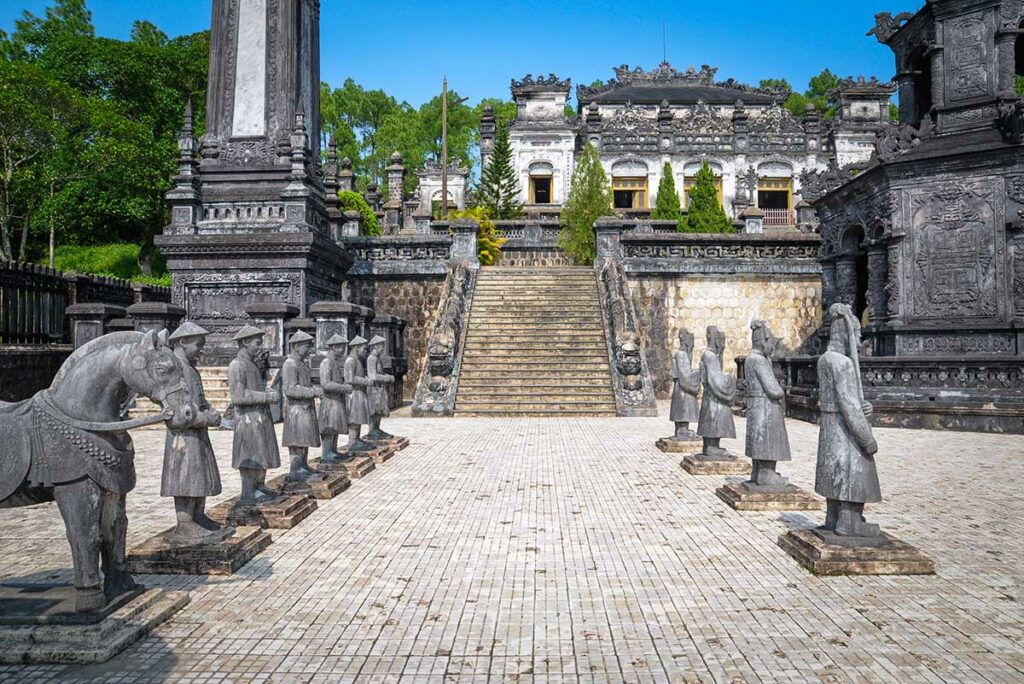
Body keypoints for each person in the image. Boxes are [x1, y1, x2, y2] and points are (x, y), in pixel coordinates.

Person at [162, 322, 232, 543]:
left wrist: (209, 409)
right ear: (183, 342)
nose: (202, 349)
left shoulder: (190, 369)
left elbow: (197, 400)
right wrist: (206, 418)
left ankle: (198, 516)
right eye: (198, 344)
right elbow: (178, 412)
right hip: (183, 437)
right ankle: (184, 523)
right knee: (185, 479)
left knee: (199, 477)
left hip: (197, 434)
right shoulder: (175, 370)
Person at [815, 303, 881, 538]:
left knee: (833, 471)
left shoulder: (824, 359)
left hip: (830, 428)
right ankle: (850, 521)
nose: (860, 339)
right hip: (845, 431)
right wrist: (867, 439)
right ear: (847, 334)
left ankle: (833, 516)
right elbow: (850, 407)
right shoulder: (843, 364)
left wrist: (865, 408)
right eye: (857, 334)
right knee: (852, 470)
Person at [228, 325, 281, 503]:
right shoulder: (237, 365)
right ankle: (248, 492)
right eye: (257, 343)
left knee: (261, 453)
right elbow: (238, 396)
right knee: (250, 456)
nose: (260, 347)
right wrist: (265, 397)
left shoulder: (251, 364)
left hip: (259, 417)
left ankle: (259, 486)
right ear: (244, 342)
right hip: (247, 418)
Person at [743, 321, 791, 487]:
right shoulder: (760, 361)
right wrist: (781, 390)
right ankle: (766, 474)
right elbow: (772, 389)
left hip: (756, 406)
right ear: (764, 341)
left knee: (759, 440)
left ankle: (758, 471)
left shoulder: (750, 359)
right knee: (767, 440)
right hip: (766, 407)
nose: (772, 347)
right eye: (771, 343)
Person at [280, 330, 323, 481]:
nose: (309, 349)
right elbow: (290, 389)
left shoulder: (302, 364)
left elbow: (305, 384)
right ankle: (295, 469)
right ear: (297, 346)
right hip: (296, 409)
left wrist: (313, 389)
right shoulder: (290, 364)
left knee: (305, 438)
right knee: (297, 440)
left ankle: (303, 466)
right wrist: (312, 392)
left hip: (305, 407)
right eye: (306, 346)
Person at [696, 326, 737, 458]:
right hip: (713, 399)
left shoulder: (709, 355)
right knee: (716, 418)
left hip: (709, 397)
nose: (723, 344)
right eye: (721, 340)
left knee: (711, 419)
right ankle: (712, 447)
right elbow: (716, 381)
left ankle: (711, 445)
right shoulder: (710, 356)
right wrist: (730, 380)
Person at [318, 334, 351, 461]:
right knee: (329, 427)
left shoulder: (334, 362)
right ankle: (327, 452)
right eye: (341, 347)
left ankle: (333, 450)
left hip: (336, 400)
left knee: (335, 426)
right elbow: (326, 384)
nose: (343, 350)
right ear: (333, 347)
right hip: (330, 401)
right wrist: (344, 388)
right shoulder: (326, 362)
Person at [669, 327, 701, 441]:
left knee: (681, 409)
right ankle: (682, 430)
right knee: (683, 409)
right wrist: (699, 373)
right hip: (682, 389)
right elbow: (685, 376)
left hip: (680, 388)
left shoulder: (680, 354)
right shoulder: (682, 355)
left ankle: (682, 429)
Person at [343, 336, 373, 452]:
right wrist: (365, 381)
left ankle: (356, 439)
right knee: (354, 418)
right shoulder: (350, 360)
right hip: (354, 393)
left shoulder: (358, 361)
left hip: (359, 392)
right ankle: (352, 440)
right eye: (364, 349)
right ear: (356, 348)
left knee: (359, 417)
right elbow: (349, 378)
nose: (365, 352)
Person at [366, 335, 395, 441]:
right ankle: (372, 430)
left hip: (379, 388)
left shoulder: (377, 358)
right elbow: (373, 376)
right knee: (374, 411)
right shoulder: (371, 358)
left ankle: (376, 429)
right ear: (375, 346)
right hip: (374, 388)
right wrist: (387, 378)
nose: (383, 348)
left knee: (379, 410)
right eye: (381, 346)